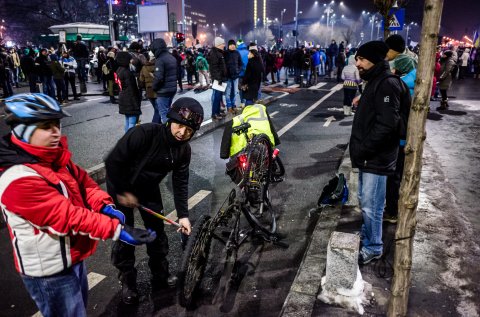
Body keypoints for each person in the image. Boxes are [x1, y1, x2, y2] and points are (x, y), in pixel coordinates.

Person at [0, 93, 156, 316]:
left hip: (71, 257)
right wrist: (118, 230)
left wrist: (104, 206)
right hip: (50, 272)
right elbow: (66, 216)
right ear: (22, 129)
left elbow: (84, 184)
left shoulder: (51, 157)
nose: (56, 131)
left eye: (57, 124)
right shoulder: (18, 178)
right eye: (46, 126)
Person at [104, 97, 204, 305]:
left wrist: (183, 215)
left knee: (156, 232)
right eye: (180, 126)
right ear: (171, 119)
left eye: (189, 131)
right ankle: (128, 280)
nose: (182, 133)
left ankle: (160, 273)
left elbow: (180, 182)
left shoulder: (183, 150)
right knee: (125, 234)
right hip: (121, 187)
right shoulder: (143, 134)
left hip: (148, 190)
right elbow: (113, 162)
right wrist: (123, 192)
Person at [349, 41, 406, 265]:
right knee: (368, 200)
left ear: (373, 60)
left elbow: (387, 124)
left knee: (371, 204)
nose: (357, 63)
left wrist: (365, 148)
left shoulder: (386, 84)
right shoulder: (376, 80)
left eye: (361, 59)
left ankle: (374, 247)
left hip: (377, 157)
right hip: (371, 156)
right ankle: (368, 236)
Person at [151, 38, 178, 124]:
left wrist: (154, 87)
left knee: (164, 115)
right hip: (172, 89)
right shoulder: (171, 57)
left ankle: (169, 134)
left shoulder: (160, 60)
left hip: (163, 91)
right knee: (168, 112)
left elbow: (159, 78)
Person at [116, 51, 141, 132]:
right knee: (132, 123)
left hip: (123, 97)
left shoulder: (119, 70)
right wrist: (136, 104)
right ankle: (130, 140)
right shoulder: (127, 72)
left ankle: (126, 138)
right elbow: (132, 89)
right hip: (130, 99)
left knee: (127, 120)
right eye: (129, 59)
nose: (131, 61)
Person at [208, 37, 228, 120]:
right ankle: (214, 114)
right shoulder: (214, 54)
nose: (224, 45)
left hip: (220, 78)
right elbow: (214, 68)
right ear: (218, 44)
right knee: (217, 97)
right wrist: (218, 79)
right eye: (223, 43)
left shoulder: (219, 52)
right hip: (218, 79)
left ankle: (218, 112)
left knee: (219, 97)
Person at [139, 51, 159, 123]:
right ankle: (154, 125)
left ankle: (157, 126)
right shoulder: (158, 65)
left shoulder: (144, 67)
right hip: (158, 90)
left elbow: (141, 80)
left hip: (149, 90)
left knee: (156, 109)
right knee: (158, 110)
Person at [225, 39, 243, 114]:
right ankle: (229, 107)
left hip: (236, 76)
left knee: (235, 92)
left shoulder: (237, 53)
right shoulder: (225, 53)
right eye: (231, 44)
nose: (232, 46)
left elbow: (240, 64)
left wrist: (238, 71)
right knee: (228, 92)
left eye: (233, 44)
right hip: (228, 77)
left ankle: (233, 105)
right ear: (228, 45)